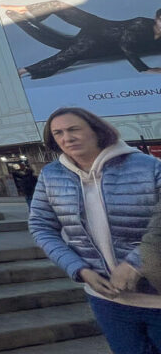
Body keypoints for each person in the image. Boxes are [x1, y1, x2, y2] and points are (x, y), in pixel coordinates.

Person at [29, 107, 161, 353]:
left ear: (97, 131)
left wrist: (135, 263)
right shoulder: (51, 175)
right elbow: (40, 225)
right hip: (108, 301)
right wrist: (79, 269)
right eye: (58, 133)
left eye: (73, 129)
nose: (66, 138)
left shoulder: (147, 166)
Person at [1, 2, 161, 79]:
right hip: (100, 28)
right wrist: (143, 69)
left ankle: (24, 70)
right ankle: (26, 12)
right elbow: (126, 45)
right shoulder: (141, 23)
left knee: (70, 53)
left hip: (100, 44)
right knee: (58, 5)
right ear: (156, 18)